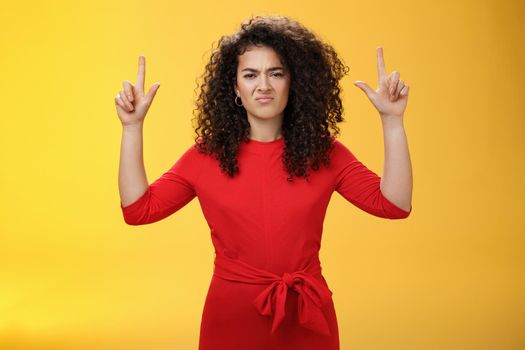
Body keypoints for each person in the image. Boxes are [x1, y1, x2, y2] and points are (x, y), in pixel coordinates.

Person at [115, 15, 412, 350]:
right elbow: (139, 210)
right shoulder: (205, 157)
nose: (264, 85)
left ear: (293, 83)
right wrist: (131, 128)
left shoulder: (325, 154)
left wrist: (392, 122)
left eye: (276, 73)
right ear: (235, 89)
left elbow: (394, 205)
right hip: (231, 319)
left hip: (307, 317)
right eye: (250, 74)